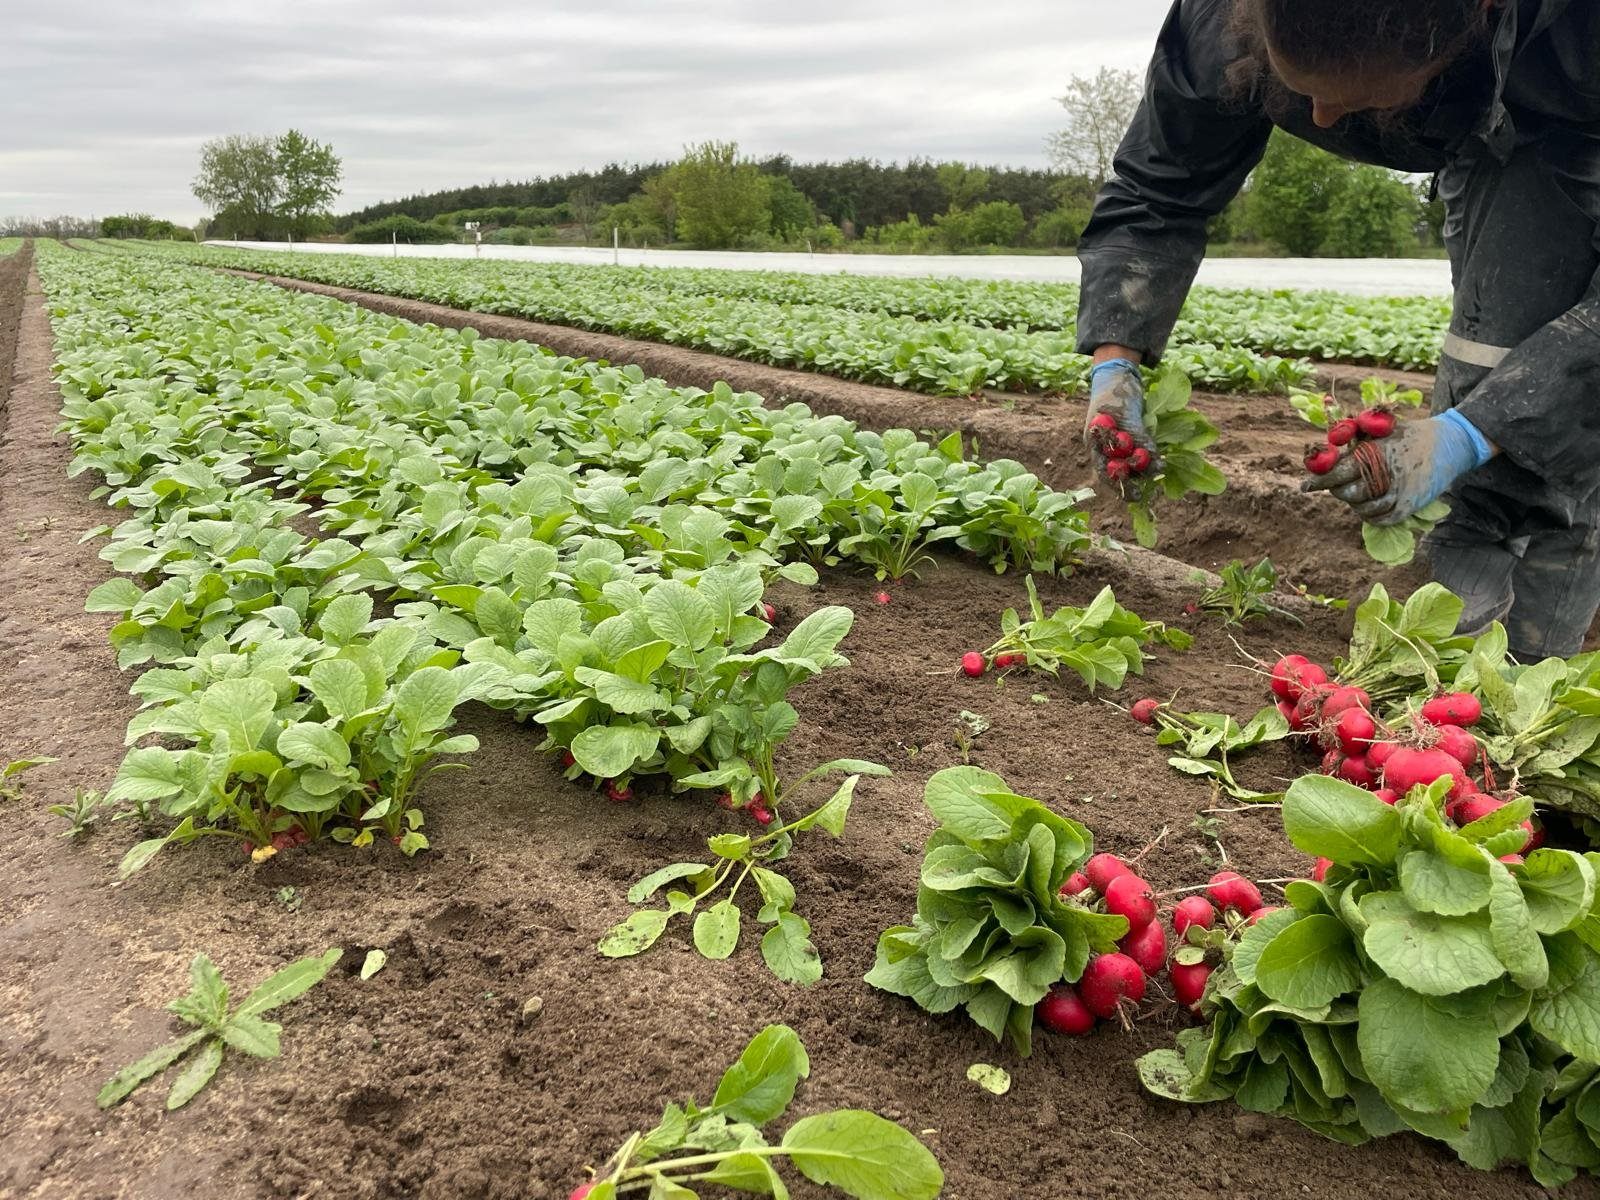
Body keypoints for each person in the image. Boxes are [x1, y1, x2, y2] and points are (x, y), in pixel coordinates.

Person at [1077, 0, 1600, 659]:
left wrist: (1475, 431)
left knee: (1513, 390)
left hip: (1572, 123)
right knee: (1489, 359)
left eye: (1347, 89)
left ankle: (1530, 668)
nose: (1320, 117)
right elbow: (1160, 185)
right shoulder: (1221, 21)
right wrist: (1114, 361)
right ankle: (1452, 642)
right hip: (1469, 119)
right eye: (1297, 84)